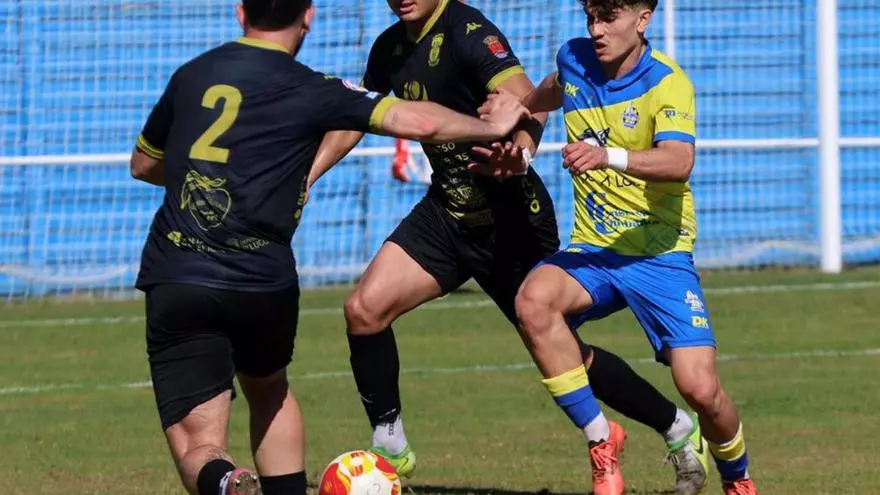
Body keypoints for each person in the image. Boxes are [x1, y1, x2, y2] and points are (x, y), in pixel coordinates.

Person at [128, 1, 533, 494]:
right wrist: (492, 127)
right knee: (270, 389)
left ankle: (228, 481)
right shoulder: (313, 88)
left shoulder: (192, 76)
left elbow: (144, 165)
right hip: (263, 279)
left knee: (199, 443)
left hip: (180, 271)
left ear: (240, 13)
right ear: (308, 16)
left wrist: (213, 176)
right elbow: (418, 122)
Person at [308, 0, 709, 491]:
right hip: (449, 212)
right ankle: (390, 444)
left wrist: (519, 152)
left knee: (565, 351)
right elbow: (358, 115)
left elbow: (526, 100)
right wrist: (306, 179)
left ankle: (675, 426)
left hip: (511, 220)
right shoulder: (389, 48)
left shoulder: (469, 32)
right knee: (364, 310)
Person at [481, 0, 759, 493]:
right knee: (533, 302)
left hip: (660, 253)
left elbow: (678, 161)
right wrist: (520, 130)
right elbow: (548, 93)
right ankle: (601, 439)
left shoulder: (668, 82)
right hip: (595, 250)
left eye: (609, 18)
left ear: (643, 19)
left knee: (700, 388)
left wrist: (606, 156)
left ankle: (737, 480)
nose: (597, 29)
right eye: (590, 18)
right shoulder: (574, 58)